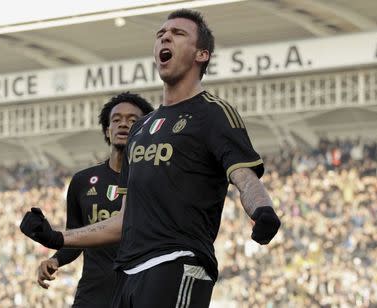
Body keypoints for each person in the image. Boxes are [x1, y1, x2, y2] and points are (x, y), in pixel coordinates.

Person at [21, 9, 281, 308]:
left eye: (177, 33)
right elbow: (122, 220)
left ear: (201, 55)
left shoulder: (213, 113)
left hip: (177, 264)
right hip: (127, 276)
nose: (165, 37)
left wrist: (262, 209)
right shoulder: (141, 129)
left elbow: (245, 177)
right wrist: (57, 238)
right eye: (160, 34)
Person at [35, 92, 153, 307]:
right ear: (107, 130)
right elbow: (76, 236)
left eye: (132, 120)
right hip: (93, 294)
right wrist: (55, 259)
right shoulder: (82, 181)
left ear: (145, 129)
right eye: (116, 120)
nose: (123, 124)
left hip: (139, 291)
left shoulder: (154, 181)